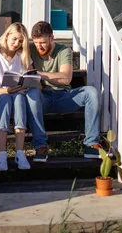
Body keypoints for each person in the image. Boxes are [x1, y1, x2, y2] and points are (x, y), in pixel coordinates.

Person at [25, 20, 101, 163]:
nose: (39, 46)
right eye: (36, 42)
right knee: (32, 94)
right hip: (43, 97)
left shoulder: (64, 50)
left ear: (52, 38)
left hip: (64, 96)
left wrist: (39, 74)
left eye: (42, 42)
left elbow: (66, 78)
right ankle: (40, 145)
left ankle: (91, 144)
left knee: (91, 92)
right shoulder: (30, 49)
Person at [0, 22, 32, 171]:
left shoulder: (22, 56)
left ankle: (19, 153)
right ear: (7, 35)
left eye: (21, 41)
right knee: (6, 98)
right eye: (14, 39)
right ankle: (2, 154)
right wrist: (6, 91)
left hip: (15, 98)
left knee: (19, 97)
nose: (17, 44)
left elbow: (32, 79)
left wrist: (25, 84)